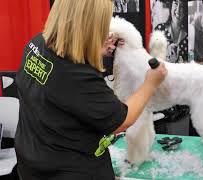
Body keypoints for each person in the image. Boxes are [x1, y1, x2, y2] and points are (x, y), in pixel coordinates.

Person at [14, 0, 167, 179]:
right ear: (89, 25)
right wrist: (150, 83)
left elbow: (62, 93)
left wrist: (96, 48)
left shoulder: (36, 44)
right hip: (68, 171)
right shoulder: (75, 75)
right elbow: (122, 120)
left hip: (32, 163)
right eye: (102, 24)